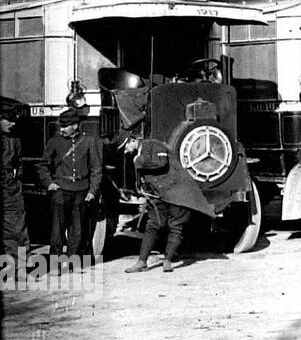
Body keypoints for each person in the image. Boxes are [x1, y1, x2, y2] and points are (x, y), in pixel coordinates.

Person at [123, 136, 214, 273]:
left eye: (126, 146)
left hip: (179, 192)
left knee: (175, 226)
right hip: (160, 194)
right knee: (153, 225)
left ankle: (168, 261)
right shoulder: (140, 152)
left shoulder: (154, 145)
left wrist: (139, 161)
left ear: (133, 141)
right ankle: (142, 262)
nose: (125, 150)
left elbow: (161, 162)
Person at [37, 108, 101, 262]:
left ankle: (74, 262)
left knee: (77, 231)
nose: (62, 129)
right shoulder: (54, 142)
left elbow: (96, 168)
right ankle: (54, 264)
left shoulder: (88, 142)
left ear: (75, 126)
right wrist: (49, 183)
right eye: (61, 126)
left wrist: (92, 190)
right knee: (57, 232)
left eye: (65, 126)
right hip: (60, 190)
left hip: (81, 191)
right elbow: (42, 165)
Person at [1, 103, 28, 261]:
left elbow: (19, 162)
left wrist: (16, 179)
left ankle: (18, 267)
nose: (13, 124)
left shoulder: (15, 139)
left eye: (14, 120)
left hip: (11, 186)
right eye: (8, 120)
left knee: (17, 229)